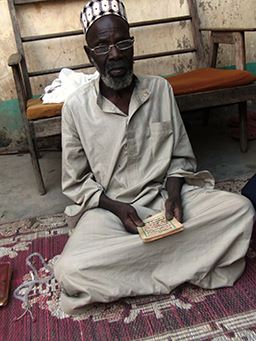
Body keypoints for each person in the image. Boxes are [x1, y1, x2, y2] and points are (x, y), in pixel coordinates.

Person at [54, 0, 255, 315]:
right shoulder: (76, 109)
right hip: (112, 212)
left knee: (241, 210)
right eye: (103, 46)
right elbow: (77, 183)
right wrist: (117, 208)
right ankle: (188, 262)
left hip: (167, 199)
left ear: (132, 45)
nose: (116, 54)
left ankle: (139, 268)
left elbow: (180, 157)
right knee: (70, 269)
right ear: (88, 54)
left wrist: (174, 192)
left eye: (122, 42)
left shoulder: (160, 90)